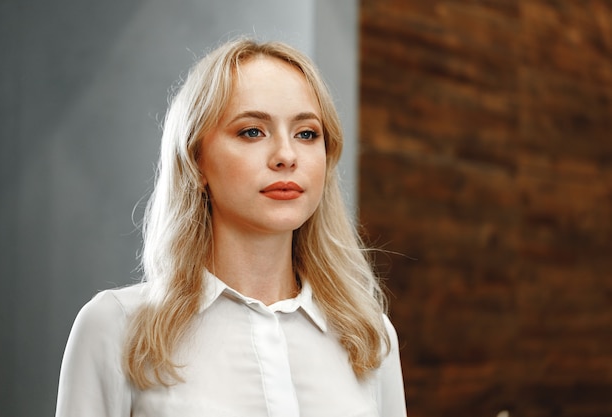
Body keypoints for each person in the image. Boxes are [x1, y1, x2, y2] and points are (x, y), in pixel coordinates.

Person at [55, 37, 407, 417]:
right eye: (252, 131)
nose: (286, 156)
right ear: (196, 160)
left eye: (307, 133)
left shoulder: (370, 338)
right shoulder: (117, 327)